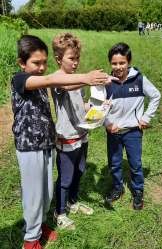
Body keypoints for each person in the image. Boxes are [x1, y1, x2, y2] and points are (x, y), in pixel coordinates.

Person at [11, 34, 112, 249]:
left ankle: (38, 228)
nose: (41, 68)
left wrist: (98, 104)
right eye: (36, 63)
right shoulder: (20, 79)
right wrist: (87, 77)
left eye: (43, 62)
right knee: (34, 195)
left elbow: (62, 86)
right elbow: (51, 80)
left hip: (46, 144)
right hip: (29, 148)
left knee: (46, 194)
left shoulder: (39, 80)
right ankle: (30, 241)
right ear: (22, 63)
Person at [104, 42, 161, 210]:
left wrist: (146, 118)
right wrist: (107, 123)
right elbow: (99, 107)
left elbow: (156, 96)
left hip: (133, 132)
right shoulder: (106, 83)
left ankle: (137, 191)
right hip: (113, 132)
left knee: (135, 164)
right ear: (110, 63)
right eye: (114, 63)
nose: (118, 67)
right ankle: (118, 188)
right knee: (114, 163)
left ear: (129, 62)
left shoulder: (139, 79)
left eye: (122, 63)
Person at [51, 33, 97, 230]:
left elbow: (81, 105)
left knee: (79, 171)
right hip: (66, 137)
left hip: (82, 133)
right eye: (71, 58)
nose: (76, 63)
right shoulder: (57, 79)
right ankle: (59, 213)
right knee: (66, 177)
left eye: (77, 58)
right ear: (59, 59)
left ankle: (72, 201)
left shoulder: (77, 79)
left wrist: (98, 107)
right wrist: (87, 79)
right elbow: (68, 85)